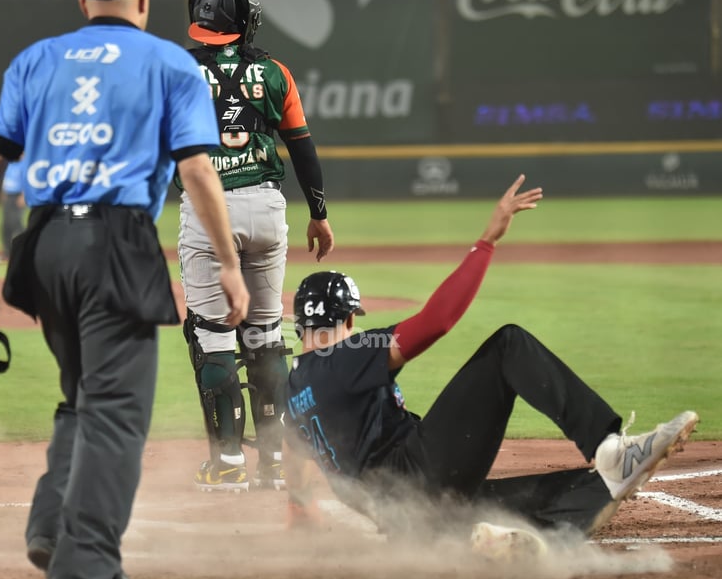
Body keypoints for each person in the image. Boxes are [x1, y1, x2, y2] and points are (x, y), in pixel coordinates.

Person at [0, 0, 249, 579]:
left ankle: (54, 529)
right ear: (143, 1)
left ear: (83, 2)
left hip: (44, 243)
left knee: (83, 398)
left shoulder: (36, 59)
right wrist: (228, 263)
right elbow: (196, 167)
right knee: (116, 412)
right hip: (114, 241)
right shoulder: (171, 62)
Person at [283, 174, 698, 548]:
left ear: (301, 323)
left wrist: (300, 508)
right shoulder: (343, 357)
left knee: (570, 492)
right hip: (417, 478)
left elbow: (290, 449)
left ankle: (484, 540)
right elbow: (436, 322)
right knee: (508, 346)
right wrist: (487, 241)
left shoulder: (294, 388)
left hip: (404, 516)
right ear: (350, 317)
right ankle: (608, 448)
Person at [180, 0, 335, 493]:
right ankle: (274, 460)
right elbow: (303, 149)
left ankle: (227, 462)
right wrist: (318, 213)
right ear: (243, 22)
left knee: (213, 335)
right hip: (267, 209)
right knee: (266, 335)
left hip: (207, 208)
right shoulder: (274, 72)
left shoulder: (178, 71)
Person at [0, 157, 26, 260]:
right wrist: (3, 193)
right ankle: (7, 251)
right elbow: (5, 179)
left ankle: (22, 249)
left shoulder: (24, 164)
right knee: (6, 224)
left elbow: (27, 180)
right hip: (8, 195)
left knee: (16, 223)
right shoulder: (9, 163)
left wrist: (23, 195)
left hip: (18, 195)